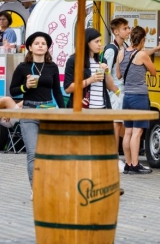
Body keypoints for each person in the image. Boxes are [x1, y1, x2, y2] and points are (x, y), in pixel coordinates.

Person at [9, 31, 65, 190]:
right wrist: (24, 87)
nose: (40, 46)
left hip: (49, 111)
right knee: (33, 153)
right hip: (29, 111)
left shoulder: (52, 67)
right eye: (37, 43)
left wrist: (64, 111)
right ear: (30, 47)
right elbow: (13, 91)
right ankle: (36, 189)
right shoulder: (22, 67)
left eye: (43, 44)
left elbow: (57, 91)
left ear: (47, 48)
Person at [116, 26, 158, 174]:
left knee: (127, 131)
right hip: (139, 97)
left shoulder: (120, 53)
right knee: (137, 132)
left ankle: (128, 163)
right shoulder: (142, 55)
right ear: (142, 40)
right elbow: (153, 72)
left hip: (126, 96)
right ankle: (135, 164)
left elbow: (119, 75)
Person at [63, 28, 119, 110]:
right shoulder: (74, 60)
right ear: (87, 42)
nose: (100, 44)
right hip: (83, 109)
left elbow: (110, 86)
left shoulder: (102, 60)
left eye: (100, 41)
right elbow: (68, 88)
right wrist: (90, 80)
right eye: (96, 41)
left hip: (102, 108)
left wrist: (107, 72)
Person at [103, 17, 131, 168]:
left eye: (128, 28)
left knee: (119, 124)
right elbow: (105, 72)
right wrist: (115, 90)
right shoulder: (111, 49)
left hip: (121, 89)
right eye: (125, 28)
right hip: (115, 90)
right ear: (116, 32)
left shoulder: (124, 46)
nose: (128, 31)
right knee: (116, 124)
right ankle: (113, 157)